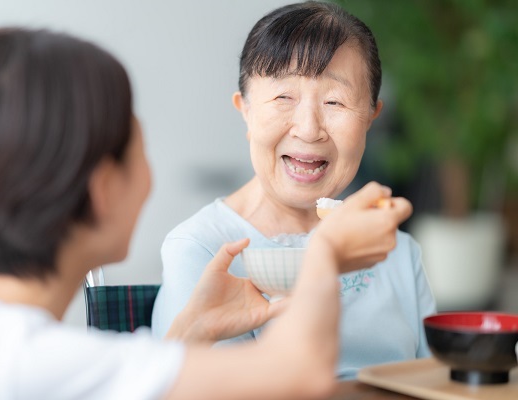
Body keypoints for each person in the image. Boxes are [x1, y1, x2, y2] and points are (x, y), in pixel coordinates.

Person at [0, 27, 413, 399]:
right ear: (103, 190)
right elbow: (300, 375)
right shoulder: (32, 365)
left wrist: (189, 333)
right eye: (139, 147)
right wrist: (323, 253)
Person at [151, 0, 436, 379]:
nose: (308, 128)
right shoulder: (201, 249)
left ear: (371, 118)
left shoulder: (395, 248)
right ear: (246, 111)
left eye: (335, 101)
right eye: (284, 98)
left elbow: (439, 382)